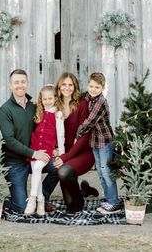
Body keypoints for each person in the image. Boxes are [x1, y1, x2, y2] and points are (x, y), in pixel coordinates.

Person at [0, 69, 50, 213]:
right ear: (10, 85)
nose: (20, 85)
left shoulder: (34, 107)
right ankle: (9, 200)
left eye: (23, 82)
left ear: (27, 83)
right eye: (16, 82)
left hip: (35, 157)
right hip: (15, 161)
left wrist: (54, 148)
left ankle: (43, 198)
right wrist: (34, 153)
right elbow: (10, 141)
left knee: (59, 168)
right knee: (21, 207)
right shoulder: (5, 110)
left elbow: (46, 130)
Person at [75, 72, 121, 214]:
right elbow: (82, 96)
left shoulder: (100, 102)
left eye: (97, 87)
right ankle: (108, 199)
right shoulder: (90, 96)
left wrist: (77, 135)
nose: (93, 89)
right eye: (91, 86)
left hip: (104, 141)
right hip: (94, 142)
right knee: (100, 172)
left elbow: (90, 122)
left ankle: (114, 202)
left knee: (106, 171)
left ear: (102, 87)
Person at [53, 72, 98, 213]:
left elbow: (84, 136)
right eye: (64, 84)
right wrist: (53, 148)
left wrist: (64, 158)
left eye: (70, 84)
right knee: (69, 204)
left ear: (75, 86)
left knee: (64, 171)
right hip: (65, 153)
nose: (67, 88)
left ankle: (81, 201)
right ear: (59, 87)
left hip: (83, 152)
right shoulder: (55, 106)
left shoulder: (82, 104)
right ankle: (84, 190)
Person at [24, 84, 65, 216]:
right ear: (41, 100)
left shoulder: (58, 114)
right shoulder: (38, 111)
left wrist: (61, 154)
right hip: (35, 148)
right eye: (44, 99)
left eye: (50, 99)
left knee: (37, 169)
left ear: (55, 99)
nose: (47, 101)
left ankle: (32, 199)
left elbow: (60, 135)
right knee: (37, 171)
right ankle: (41, 201)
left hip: (47, 149)